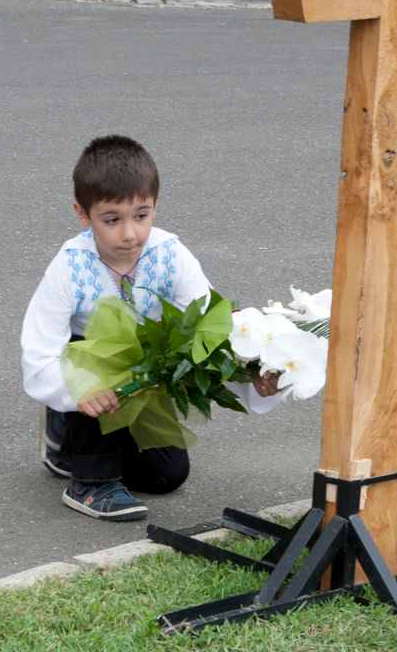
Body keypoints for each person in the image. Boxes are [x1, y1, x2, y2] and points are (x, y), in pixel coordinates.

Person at [21, 135, 280, 521]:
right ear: (82, 213)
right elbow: (38, 349)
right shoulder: (69, 266)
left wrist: (252, 372)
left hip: (143, 370)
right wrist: (77, 390)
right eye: (112, 220)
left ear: (155, 206)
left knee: (166, 476)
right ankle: (89, 482)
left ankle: (68, 443)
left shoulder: (170, 253)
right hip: (89, 366)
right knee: (97, 359)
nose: (129, 234)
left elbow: (211, 323)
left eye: (141, 215)